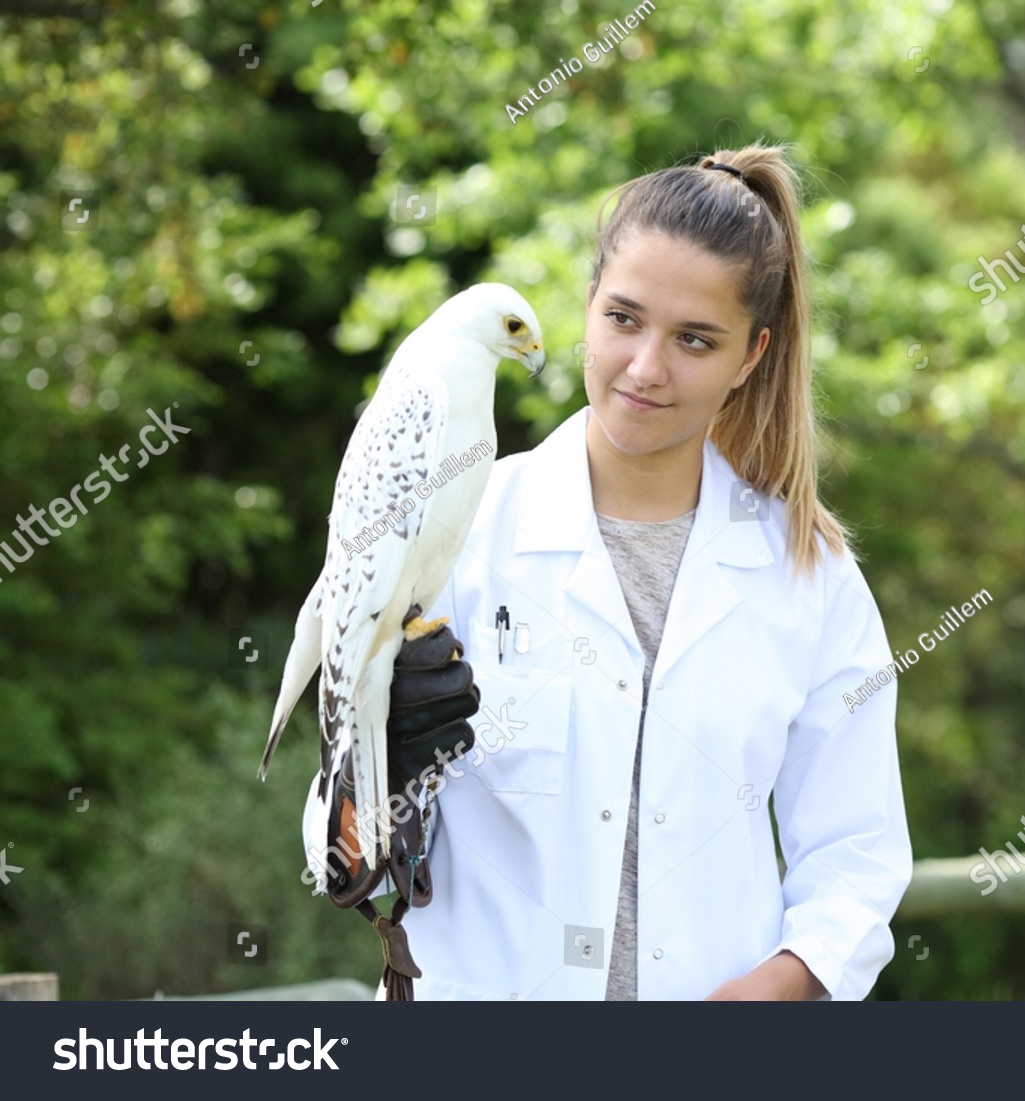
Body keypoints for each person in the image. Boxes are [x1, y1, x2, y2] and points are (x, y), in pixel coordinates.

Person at [301, 142, 912, 1001]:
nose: (646, 368)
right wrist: (380, 775)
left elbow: (857, 852)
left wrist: (785, 983)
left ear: (751, 356)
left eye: (695, 340)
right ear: (588, 307)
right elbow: (338, 860)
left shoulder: (810, 577)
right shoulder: (459, 527)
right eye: (623, 319)